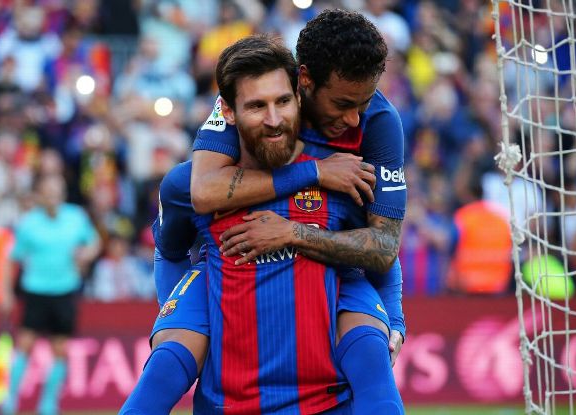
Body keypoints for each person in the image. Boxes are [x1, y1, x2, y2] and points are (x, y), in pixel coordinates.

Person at [120, 34, 403, 414]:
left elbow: (382, 246)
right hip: (225, 317)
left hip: (333, 292)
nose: (273, 119)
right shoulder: (189, 182)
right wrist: (188, 316)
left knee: (371, 350)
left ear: (295, 94)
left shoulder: (359, 155)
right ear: (229, 111)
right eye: (256, 106)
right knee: (168, 362)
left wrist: (395, 320)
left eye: (281, 102)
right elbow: (173, 243)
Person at [0, 173, 100, 415]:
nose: (54, 197)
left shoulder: (76, 217)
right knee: (24, 344)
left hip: (65, 291)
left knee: (60, 349)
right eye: (49, 192)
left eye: (58, 191)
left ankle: (48, 405)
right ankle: (9, 402)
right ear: (40, 196)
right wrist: (5, 294)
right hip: (36, 291)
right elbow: (9, 259)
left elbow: (94, 242)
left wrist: (86, 253)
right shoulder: (28, 224)